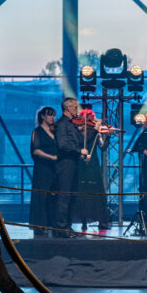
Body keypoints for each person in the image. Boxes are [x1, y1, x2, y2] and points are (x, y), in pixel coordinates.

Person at [75, 109, 110, 231]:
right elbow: (83, 141)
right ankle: (83, 221)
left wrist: (108, 137)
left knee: (97, 193)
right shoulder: (78, 131)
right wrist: (95, 129)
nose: (91, 122)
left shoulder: (96, 133)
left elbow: (103, 147)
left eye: (92, 119)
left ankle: (102, 220)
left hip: (93, 164)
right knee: (83, 194)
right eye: (89, 119)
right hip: (81, 163)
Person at [54, 97, 83, 236]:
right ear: (68, 108)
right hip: (65, 163)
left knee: (71, 196)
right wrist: (79, 151)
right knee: (64, 195)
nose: (77, 110)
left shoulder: (71, 124)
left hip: (73, 162)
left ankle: (68, 226)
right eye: (75, 107)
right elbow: (63, 145)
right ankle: (61, 227)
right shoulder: (62, 124)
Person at [29, 106, 58, 237]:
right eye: (50, 115)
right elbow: (36, 150)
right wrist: (51, 157)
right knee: (41, 197)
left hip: (54, 169)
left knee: (53, 197)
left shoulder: (55, 131)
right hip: (42, 169)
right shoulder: (37, 132)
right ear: (43, 116)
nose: (52, 117)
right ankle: (40, 225)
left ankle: (52, 224)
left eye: (53, 115)